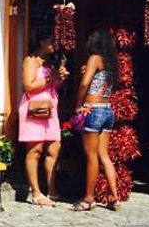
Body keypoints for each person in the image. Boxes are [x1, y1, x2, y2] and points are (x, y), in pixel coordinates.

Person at [71, 28, 120, 212]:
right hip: (108, 110)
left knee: (91, 156)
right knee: (104, 155)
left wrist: (78, 104)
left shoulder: (94, 58)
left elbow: (85, 83)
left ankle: (89, 198)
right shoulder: (112, 63)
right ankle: (115, 197)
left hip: (93, 109)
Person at [17, 29, 66, 207]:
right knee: (35, 150)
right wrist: (50, 79)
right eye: (51, 40)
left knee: (54, 148)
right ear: (41, 42)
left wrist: (59, 79)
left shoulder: (49, 63)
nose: (54, 44)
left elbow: (53, 87)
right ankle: (36, 192)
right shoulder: (31, 61)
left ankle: (51, 189)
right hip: (34, 109)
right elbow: (28, 86)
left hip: (50, 108)